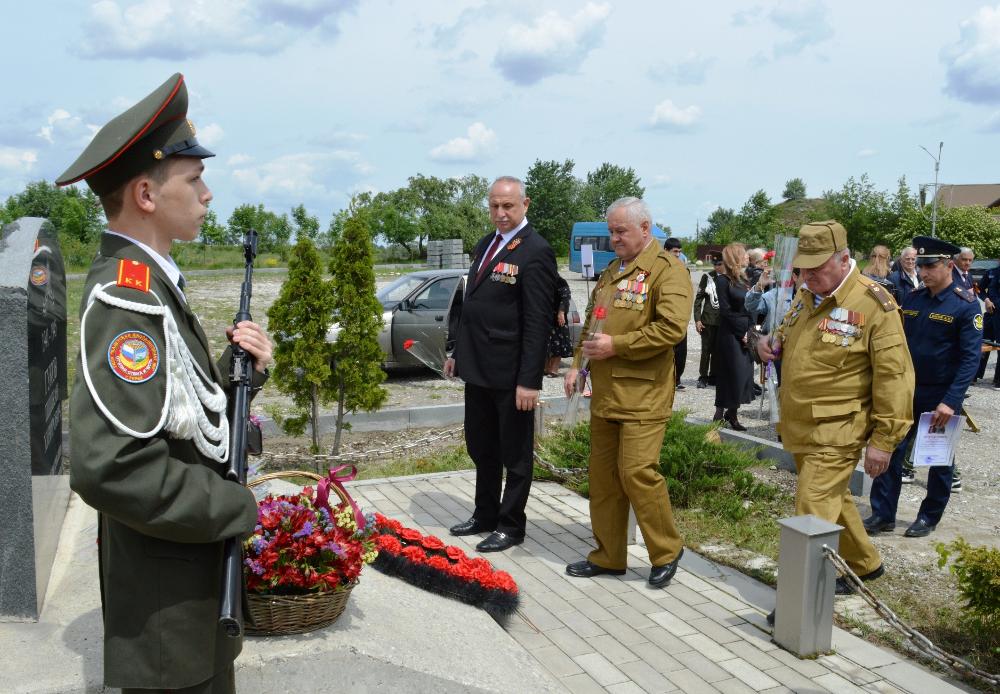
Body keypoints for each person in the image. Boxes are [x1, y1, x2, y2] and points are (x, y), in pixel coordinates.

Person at [58, 73, 274, 693]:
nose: (207, 194)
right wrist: (236, 507)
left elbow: (170, 417)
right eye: (193, 179)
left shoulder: (151, 283)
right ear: (147, 194)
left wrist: (241, 383)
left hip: (183, 583)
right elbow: (113, 465)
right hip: (166, 606)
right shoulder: (127, 298)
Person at [758, 221, 914, 625]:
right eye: (802, 268)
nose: (807, 276)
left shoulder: (873, 304)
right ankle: (864, 563)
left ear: (845, 259)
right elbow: (784, 336)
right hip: (802, 426)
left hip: (838, 430)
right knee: (833, 500)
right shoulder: (807, 296)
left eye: (816, 268)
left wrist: (885, 439)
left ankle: (799, 602)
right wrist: (767, 343)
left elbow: (895, 377)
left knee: (810, 510)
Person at [562, 197, 692, 587]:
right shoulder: (613, 271)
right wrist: (576, 366)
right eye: (611, 232)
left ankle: (666, 550)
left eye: (621, 231)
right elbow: (592, 324)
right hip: (605, 393)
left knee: (636, 472)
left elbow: (672, 329)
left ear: (645, 228)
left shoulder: (667, 271)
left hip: (643, 395)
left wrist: (616, 346)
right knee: (602, 478)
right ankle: (608, 555)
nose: (614, 238)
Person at [444, 176, 557, 552]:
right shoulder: (487, 243)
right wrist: (457, 354)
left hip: (512, 376)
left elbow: (537, 322)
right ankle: (484, 514)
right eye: (494, 205)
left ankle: (511, 525)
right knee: (482, 447)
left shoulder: (536, 250)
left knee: (515, 454)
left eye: (508, 206)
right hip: (478, 370)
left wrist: (530, 381)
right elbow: (472, 307)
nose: (500, 213)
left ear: (526, 204)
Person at [864, 236, 981, 539]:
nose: (924, 271)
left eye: (931, 266)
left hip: (940, 394)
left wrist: (951, 401)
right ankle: (883, 513)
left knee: (938, 459)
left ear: (949, 265)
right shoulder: (914, 299)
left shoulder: (965, 305)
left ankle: (929, 517)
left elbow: (969, 361)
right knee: (890, 447)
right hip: (906, 391)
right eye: (922, 265)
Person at [712, 243, 755, 431]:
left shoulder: (746, 279)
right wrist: (742, 332)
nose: (747, 256)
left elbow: (753, 305)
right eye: (744, 254)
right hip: (730, 334)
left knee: (743, 375)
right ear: (736, 257)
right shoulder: (722, 280)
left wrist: (752, 330)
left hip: (746, 332)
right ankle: (720, 413)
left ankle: (733, 412)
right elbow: (725, 311)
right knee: (730, 373)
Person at [694, 255, 723, 388]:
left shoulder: (729, 278)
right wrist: (697, 319)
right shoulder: (707, 277)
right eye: (716, 264)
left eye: (720, 264)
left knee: (719, 350)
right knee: (706, 350)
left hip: (723, 321)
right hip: (708, 320)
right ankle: (703, 376)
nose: (717, 267)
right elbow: (699, 299)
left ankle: (714, 375)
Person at [664, 237, 688, 389]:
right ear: (666, 251)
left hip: (680, 316)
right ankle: (666, 380)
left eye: (679, 252)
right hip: (665, 316)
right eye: (675, 251)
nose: (678, 255)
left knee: (681, 353)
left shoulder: (683, 269)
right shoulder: (659, 268)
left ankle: (677, 379)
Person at [544, 275, 574, 376]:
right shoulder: (540, 279)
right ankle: (546, 368)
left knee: (558, 345)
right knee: (544, 345)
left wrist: (561, 312)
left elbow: (565, 297)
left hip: (557, 318)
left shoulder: (560, 281)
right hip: (545, 317)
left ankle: (554, 369)